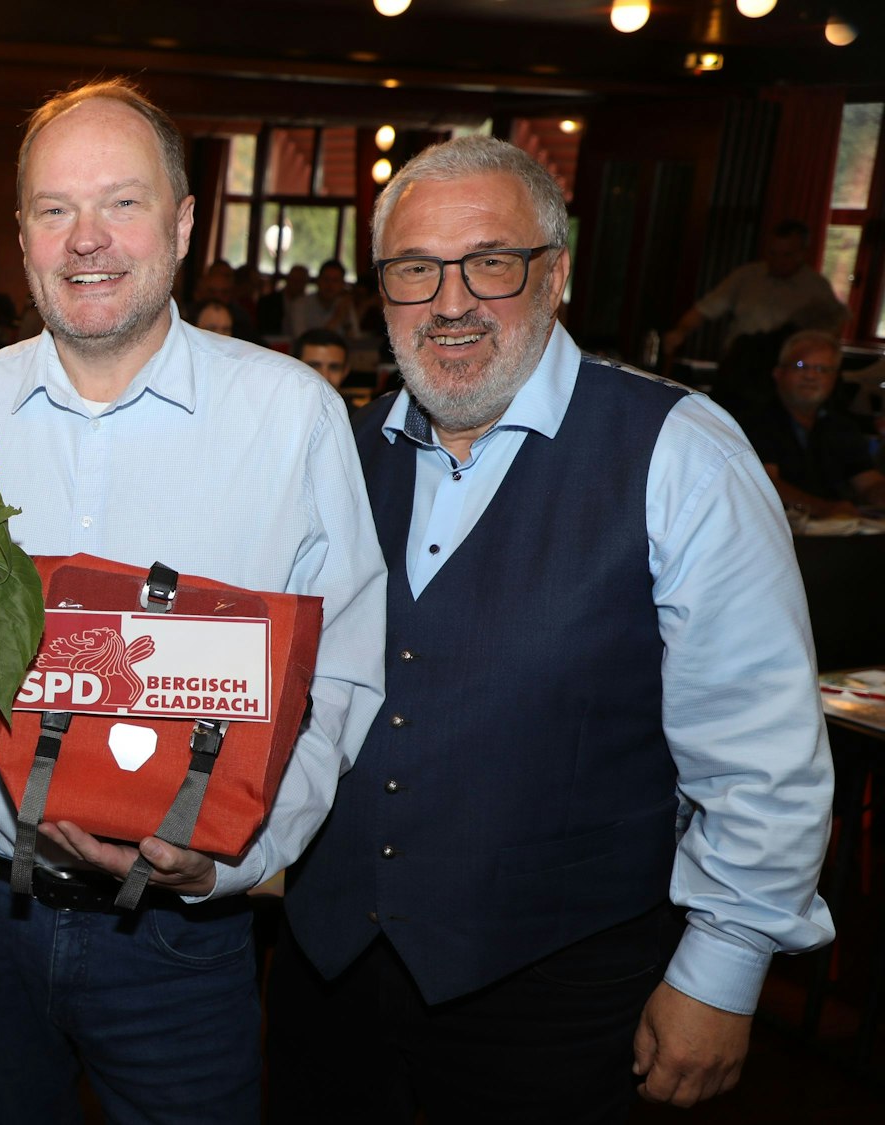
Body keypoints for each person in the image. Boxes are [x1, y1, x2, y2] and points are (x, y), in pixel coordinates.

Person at [271, 135, 835, 1124]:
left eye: (489, 261)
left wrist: (723, 969)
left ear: (555, 271)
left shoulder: (677, 453)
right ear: (380, 290)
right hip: (328, 981)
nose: (448, 302)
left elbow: (761, 748)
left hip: (559, 998)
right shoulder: (338, 453)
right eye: (413, 270)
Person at [0, 77, 387, 1125]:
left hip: (179, 936)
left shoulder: (290, 418)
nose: (85, 240)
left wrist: (229, 859)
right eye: (53, 209)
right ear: (20, 236)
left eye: (121, 203)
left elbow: (338, 674)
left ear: (184, 223)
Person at [740, 328, 885, 517]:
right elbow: (765, 483)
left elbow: (868, 482)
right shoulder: (755, 421)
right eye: (801, 366)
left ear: (834, 379)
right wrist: (823, 508)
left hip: (835, 534)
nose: (811, 376)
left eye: (822, 369)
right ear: (778, 373)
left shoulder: (841, 426)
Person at [662, 219, 844, 361]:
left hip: (785, 369)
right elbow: (705, 309)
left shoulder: (816, 287)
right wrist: (680, 331)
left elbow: (831, 333)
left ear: (802, 253)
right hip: (739, 362)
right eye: (773, 253)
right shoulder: (747, 276)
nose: (778, 261)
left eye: (786, 255)